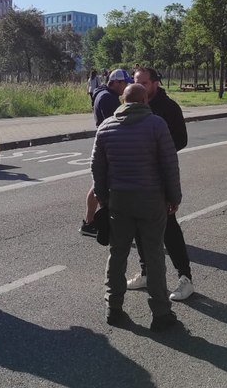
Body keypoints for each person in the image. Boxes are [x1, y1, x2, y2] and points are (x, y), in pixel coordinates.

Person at [91, 83, 182, 331]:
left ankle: (113, 307)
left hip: (119, 200)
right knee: (154, 255)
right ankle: (161, 313)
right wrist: (174, 197)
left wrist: (102, 198)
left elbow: (97, 167)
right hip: (151, 199)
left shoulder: (106, 126)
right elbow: (169, 164)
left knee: (117, 253)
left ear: (123, 100)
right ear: (145, 101)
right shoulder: (156, 125)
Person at [127, 67, 195, 301]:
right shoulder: (131, 105)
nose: (139, 86)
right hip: (136, 179)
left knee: (169, 228)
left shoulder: (169, 108)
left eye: (144, 83)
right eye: (136, 82)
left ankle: (185, 278)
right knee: (138, 227)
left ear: (155, 83)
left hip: (159, 176)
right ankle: (146, 272)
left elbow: (181, 140)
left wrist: (158, 149)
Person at [81, 69, 133, 236]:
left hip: (106, 143)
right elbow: (116, 123)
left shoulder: (104, 94)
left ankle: (90, 222)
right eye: (125, 83)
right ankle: (92, 222)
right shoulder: (107, 98)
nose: (126, 87)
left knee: (99, 184)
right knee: (100, 186)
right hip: (109, 145)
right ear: (116, 82)